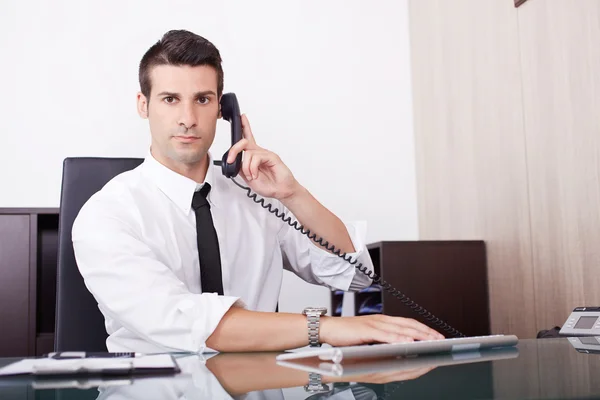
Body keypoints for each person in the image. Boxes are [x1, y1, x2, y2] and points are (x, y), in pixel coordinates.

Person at [72, 29, 444, 354]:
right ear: (143, 105)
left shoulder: (256, 197)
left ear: (223, 109)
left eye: (202, 99)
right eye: (170, 99)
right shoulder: (107, 215)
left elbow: (354, 275)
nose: (187, 118)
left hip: (262, 385)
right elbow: (186, 321)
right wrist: (326, 328)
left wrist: (292, 194)